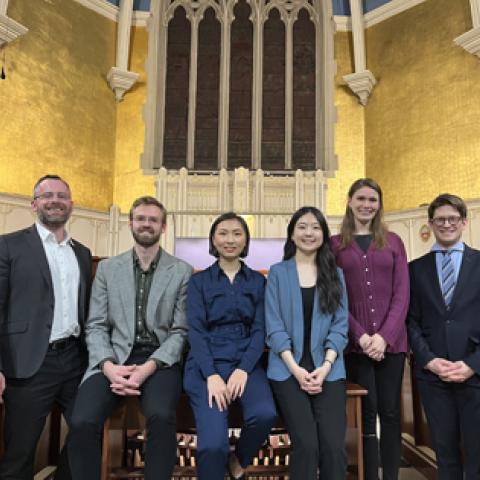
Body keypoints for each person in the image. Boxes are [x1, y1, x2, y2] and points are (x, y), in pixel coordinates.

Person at [67, 196, 192, 480]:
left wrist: (147, 368)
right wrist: (109, 367)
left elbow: (180, 331)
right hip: (113, 358)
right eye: (141, 219)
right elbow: (96, 325)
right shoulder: (109, 269)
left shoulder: (181, 271)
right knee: (82, 421)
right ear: (130, 223)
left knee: (161, 417)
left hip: (158, 361)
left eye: (153, 220)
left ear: (163, 226)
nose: (146, 224)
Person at [0, 174, 92, 480]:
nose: (55, 200)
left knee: (88, 430)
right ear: (33, 204)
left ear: (71, 204)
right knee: (20, 452)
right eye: (47, 195)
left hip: (75, 360)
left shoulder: (81, 252)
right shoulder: (8, 246)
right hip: (27, 362)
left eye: (62, 195)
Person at [184, 212, 276, 480]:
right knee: (213, 445)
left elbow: (260, 330)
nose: (230, 240)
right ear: (213, 239)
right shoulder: (198, 282)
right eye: (223, 233)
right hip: (206, 364)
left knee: (265, 414)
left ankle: (240, 459)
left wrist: (243, 369)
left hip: (245, 361)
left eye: (237, 233)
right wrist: (211, 375)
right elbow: (196, 332)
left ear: (245, 239)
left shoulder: (259, 281)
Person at [331, 178, 409, 480]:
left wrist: (384, 337)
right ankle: (368, 476)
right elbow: (334, 297)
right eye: (361, 198)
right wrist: (361, 336)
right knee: (366, 414)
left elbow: (402, 293)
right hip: (355, 343)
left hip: (392, 343)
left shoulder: (394, 242)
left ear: (379, 204)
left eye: (372, 200)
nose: (367, 205)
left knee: (390, 414)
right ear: (350, 201)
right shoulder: (335, 245)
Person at [265, 206, 349, 480]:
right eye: (302, 227)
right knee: (307, 444)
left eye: (315, 227)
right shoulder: (278, 273)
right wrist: (296, 369)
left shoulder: (335, 275)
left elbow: (340, 326)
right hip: (287, 370)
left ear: (324, 234)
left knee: (334, 447)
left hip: (329, 371)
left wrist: (324, 367)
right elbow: (274, 326)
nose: (308, 232)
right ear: (291, 234)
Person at [407, 193, 480, 480]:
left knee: (477, 454)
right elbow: (410, 322)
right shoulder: (415, 269)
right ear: (430, 224)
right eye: (440, 219)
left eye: (452, 219)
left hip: (475, 374)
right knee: (445, 453)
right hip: (433, 376)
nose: (446, 224)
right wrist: (429, 360)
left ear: (463, 222)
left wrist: (473, 363)